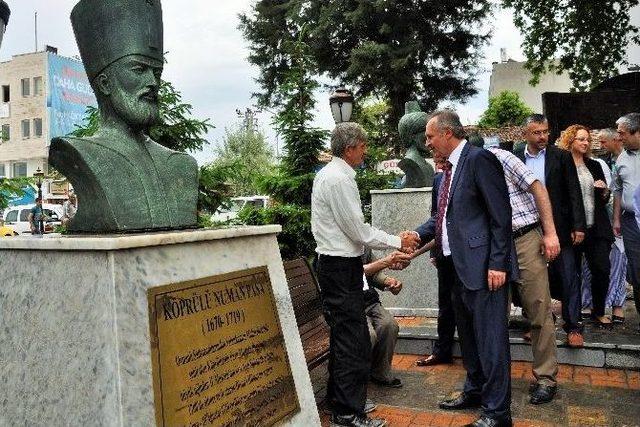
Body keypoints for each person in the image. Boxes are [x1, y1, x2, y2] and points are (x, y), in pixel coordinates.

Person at [49, 0, 199, 233]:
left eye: (156, 72)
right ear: (105, 83)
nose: (152, 83)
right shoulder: (79, 153)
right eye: (138, 70)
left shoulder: (181, 165)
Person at [311, 122, 419, 427]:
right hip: (340, 267)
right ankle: (348, 412)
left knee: (347, 338)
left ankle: (340, 401)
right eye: (363, 146)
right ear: (349, 149)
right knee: (354, 340)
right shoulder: (338, 179)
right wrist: (399, 241)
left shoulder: (333, 175)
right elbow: (358, 231)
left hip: (337, 266)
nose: (365, 151)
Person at [413, 110, 515, 427]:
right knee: (469, 339)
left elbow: (501, 216)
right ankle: (474, 391)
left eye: (430, 136)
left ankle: (498, 413)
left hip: (484, 269)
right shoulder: (447, 172)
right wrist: (416, 234)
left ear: (447, 133)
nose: (427, 142)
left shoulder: (478, 159)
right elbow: (442, 217)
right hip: (454, 269)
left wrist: (498, 264)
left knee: (491, 341)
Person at [483, 143, 561, 404]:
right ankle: (496, 377)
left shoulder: (500, 157)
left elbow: (537, 186)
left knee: (539, 307)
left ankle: (546, 377)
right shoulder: (455, 168)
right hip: (494, 245)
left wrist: (550, 233)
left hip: (525, 236)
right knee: (495, 313)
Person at [515, 114, 587, 347]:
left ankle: (574, 326)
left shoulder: (561, 157)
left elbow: (573, 191)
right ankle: (536, 323)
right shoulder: (515, 158)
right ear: (525, 133)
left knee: (568, 276)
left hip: (560, 228)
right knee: (531, 280)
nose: (543, 136)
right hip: (526, 229)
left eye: (545, 131)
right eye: (537, 132)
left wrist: (578, 226)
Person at [558, 125, 614, 328]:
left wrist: (604, 191)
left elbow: (605, 197)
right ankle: (573, 317)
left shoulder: (594, 165)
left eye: (587, 140)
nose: (585, 143)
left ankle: (598, 310)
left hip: (596, 227)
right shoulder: (561, 165)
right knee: (571, 274)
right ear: (570, 140)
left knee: (602, 268)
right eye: (581, 139)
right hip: (572, 229)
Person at [416, 151, 455, 367]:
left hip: (465, 255)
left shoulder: (465, 173)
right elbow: (436, 217)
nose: (440, 166)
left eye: (442, 161)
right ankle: (442, 350)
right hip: (443, 254)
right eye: (437, 162)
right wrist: (433, 251)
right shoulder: (438, 180)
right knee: (445, 305)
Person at [362, 249, 412, 388]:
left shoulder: (364, 246)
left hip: (369, 302)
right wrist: (387, 260)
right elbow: (353, 272)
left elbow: (375, 273)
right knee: (367, 334)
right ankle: (355, 382)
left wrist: (389, 282)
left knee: (389, 325)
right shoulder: (333, 248)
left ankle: (380, 373)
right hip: (348, 304)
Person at [612, 113, 640, 332]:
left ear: (636, 132)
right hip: (631, 223)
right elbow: (618, 189)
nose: (618, 137)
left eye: (622, 133)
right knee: (637, 272)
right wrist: (617, 219)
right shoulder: (621, 157)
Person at [598, 128, 628, 324]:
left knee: (622, 261)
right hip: (612, 218)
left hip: (628, 216)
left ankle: (618, 305)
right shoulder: (609, 161)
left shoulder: (628, 158)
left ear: (615, 139)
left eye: (603, 142)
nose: (601, 146)